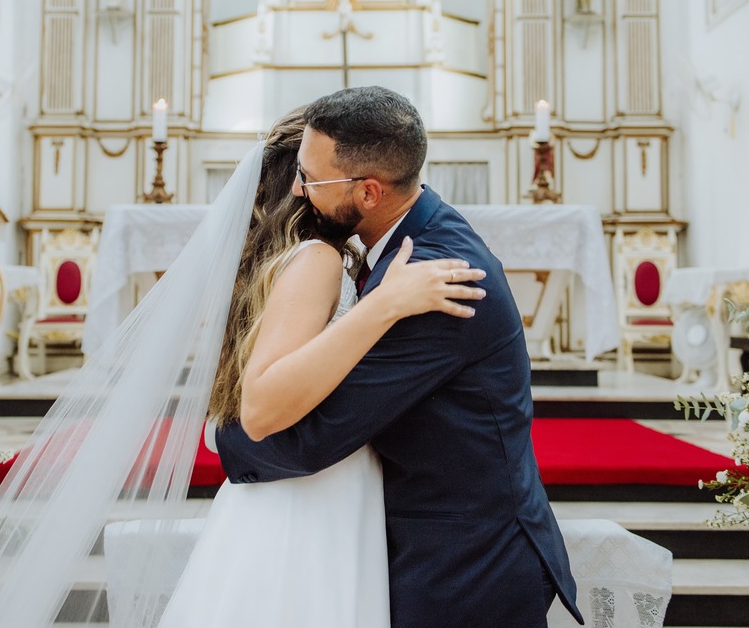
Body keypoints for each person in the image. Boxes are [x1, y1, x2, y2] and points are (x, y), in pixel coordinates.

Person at [0, 107, 485, 628]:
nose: (306, 185)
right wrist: (383, 304)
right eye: (310, 174)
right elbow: (264, 401)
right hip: (313, 494)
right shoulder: (316, 260)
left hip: (294, 486)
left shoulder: (277, 264)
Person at [215, 86, 585, 628]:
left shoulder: (437, 281)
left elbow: (318, 432)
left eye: (313, 180)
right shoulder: (405, 242)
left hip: (463, 569)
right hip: (423, 543)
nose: (298, 189)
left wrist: (229, 440)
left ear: (368, 192)